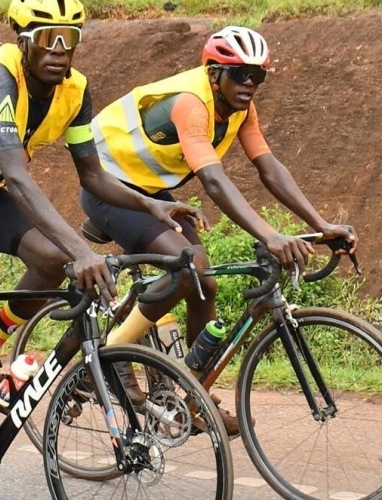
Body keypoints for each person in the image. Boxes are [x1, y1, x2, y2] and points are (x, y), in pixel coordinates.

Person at [0, 1, 206, 498]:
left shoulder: (74, 90)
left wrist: (152, 206)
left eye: (69, 38)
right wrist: (83, 248)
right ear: (22, 39)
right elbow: (16, 175)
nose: (59, 50)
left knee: (51, 260)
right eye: (47, 38)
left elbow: (93, 174)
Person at [83, 26, 357, 436]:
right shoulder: (192, 103)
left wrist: (319, 224)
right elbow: (213, 180)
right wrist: (270, 236)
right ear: (214, 74)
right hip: (108, 188)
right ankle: (107, 359)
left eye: (257, 76)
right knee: (188, 265)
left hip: (152, 189)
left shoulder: (240, 106)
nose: (249, 84)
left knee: (204, 283)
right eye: (239, 74)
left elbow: (267, 166)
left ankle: (191, 394)